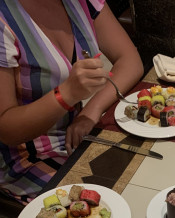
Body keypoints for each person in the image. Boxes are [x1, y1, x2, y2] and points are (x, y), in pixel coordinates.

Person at [0, 0, 143, 205]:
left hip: (73, 138)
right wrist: (66, 94)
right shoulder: (5, 19)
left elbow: (129, 59)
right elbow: (7, 129)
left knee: (140, 176)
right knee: (106, 204)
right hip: (23, 158)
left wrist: (91, 110)